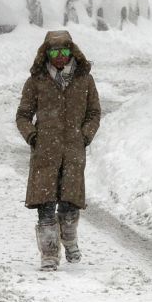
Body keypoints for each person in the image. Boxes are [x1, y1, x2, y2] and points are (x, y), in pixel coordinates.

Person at [16, 30, 101, 271]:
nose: (60, 56)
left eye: (65, 51)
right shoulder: (37, 82)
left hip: (73, 152)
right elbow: (23, 115)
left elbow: (94, 112)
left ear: (72, 52)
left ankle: (70, 238)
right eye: (55, 51)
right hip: (45, 153)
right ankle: (49, 254)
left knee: (69, 204)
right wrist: (32, 135)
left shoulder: (84, 80)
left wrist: (85, 134)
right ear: (46, 53)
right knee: (45, 206)